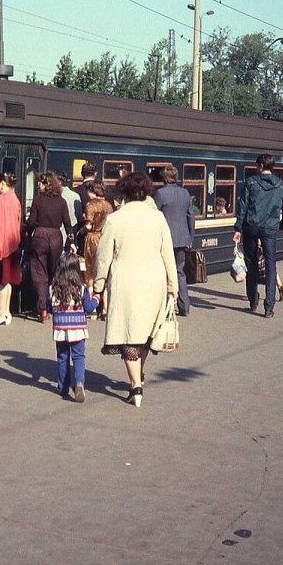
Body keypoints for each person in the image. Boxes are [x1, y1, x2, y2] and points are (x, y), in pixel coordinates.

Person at [93, 172, 178, 408]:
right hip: (154, 281)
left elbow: (103, 257)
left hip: (126, 283)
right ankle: (138, 374)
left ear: (124, 193)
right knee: (145, 334)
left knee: (130, 333)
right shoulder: (158, 218)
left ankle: (136, 386)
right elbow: (167, 254)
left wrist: (98, 286)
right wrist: (174, 286)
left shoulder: (115, 220)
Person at [233, 154, 283, 318]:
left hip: (251, 227)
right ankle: (269, 307)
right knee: (270, 264)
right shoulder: (281, 186)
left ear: (260, 165)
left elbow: (243, 207)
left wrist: (238, 228)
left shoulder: (251, 182)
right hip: (270, 229)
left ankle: (253, 301)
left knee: (251, 263)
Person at [49, 251, 97, 402]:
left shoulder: (53, 289)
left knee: (62, 357)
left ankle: (62, 387)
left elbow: (49, 307)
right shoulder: (81, 289)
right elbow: (89, 308)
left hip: (60, 330)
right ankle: (79, 383)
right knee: (78, 356)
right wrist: (96, 298)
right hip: (78, 329)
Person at [26, 171, 73, 323]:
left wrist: (27, 232)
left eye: (40, 183)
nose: (38, 185)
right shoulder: (61, 201)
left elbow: (32, 222)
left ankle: (42, 309)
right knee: (53, 272)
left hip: (40, 236)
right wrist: (71, 241)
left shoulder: (38, 200)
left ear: (47, 184)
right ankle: (54, 304)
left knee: (40, 274)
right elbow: (67, 223)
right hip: (56, 238)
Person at [152, 164, 196, 317]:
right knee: (179, 272)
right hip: (183, 238)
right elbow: (191, 216)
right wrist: (190, 237)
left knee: (164, 273)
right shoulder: (185, 193)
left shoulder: (159, 194)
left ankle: (164, 308)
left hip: (165, 240)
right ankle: (184, 307)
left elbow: (154, 216)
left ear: (164, 178)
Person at [0, 172, 23, 326]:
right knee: (8, 282)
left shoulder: (1, 201)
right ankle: (7, 312)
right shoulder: (14, 199)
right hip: (12, 245)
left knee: (1, 281)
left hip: (2, 246)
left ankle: (1, 314)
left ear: (2, 183)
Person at [81, 181, 113, 293]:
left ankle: (90, 294)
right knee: (101, 267)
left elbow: (88, 226)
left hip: (92, 237)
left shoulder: (90, 205)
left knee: (89, 268)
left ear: (92, 192)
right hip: (104, 236)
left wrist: (81, 231)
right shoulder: (108, 205)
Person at [57, 171, 80, 246]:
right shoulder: (76, 196)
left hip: (59, 237)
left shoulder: (58, 197)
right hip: (72, 236)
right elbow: (79, 216)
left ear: (59, 182)